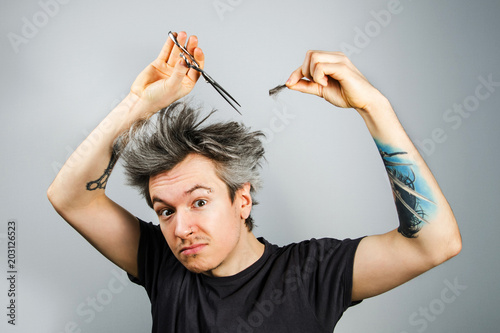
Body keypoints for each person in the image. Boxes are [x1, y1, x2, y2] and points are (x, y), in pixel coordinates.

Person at [47, 31, 462, 332]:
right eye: (165, 211)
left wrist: (374, 106)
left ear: (241, 200)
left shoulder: (310, 274)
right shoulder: (163, 263)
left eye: (199, 201)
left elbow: (435, 243)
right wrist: (139, 104)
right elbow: (69, 198)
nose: (180, 228)